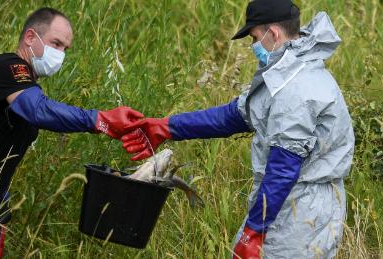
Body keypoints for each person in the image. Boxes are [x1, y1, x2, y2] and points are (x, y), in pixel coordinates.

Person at [120, 0, 355, 258]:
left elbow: (283, 170)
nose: (252, 46)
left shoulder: (297, 89)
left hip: (301, 213)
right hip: (282, 203)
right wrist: (166, 127)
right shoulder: (285, 72)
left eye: (254, 37)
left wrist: (254, 232)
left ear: (273, 34)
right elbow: (232, 116)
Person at [0, 7, 142, 258]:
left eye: (65, 49)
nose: (59, 55)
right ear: (29, 38)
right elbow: (37, 109)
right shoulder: (6, 67)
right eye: (55, 44)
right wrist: (100, 120)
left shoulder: (27, 86)